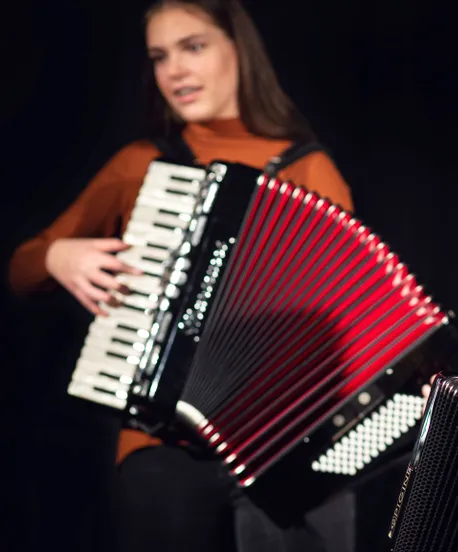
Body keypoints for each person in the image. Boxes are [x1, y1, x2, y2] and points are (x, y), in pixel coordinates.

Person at [8, 1, 355, 551]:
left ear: (239, 51)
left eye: (193, 47)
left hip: (282, 446)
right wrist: (56, 257)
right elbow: (20, 268)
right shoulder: (143, 163)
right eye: (159, 56)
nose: (174, 70)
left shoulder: (307, 168)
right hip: (159, 445)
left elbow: (354, 314)